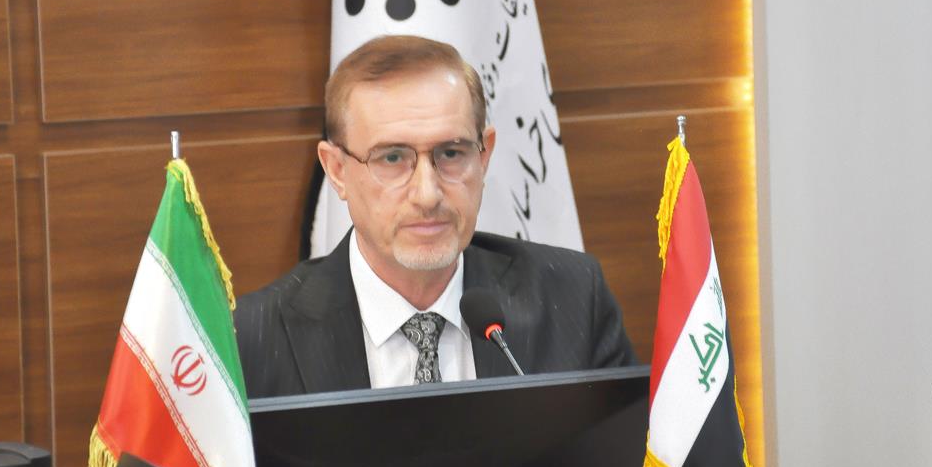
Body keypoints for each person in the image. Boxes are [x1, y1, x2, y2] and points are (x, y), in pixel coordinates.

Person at [235, 35, 635, 397]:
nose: (427, 195)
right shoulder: (253, 339)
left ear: (484, 156)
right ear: (337, 171)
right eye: (392, 158)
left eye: (451, 153)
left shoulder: (572, 300)